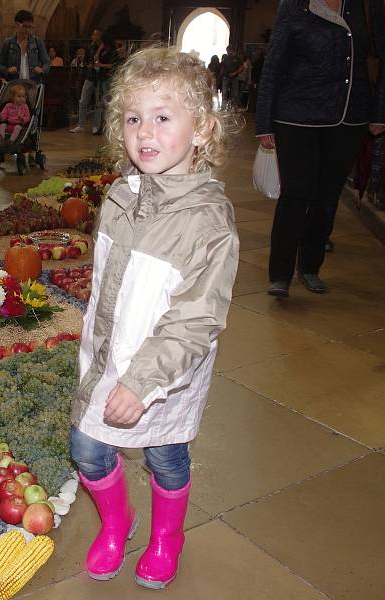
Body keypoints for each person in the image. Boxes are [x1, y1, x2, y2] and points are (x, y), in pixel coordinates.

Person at [70, 47, 239, 589]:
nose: (145, 131)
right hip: (108, 357)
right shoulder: (121, 195)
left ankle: (168, 536)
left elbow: (195, 320)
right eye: (132, 117)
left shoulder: (208, 221)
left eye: (163, 117)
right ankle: (118, 522)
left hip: (165, 374)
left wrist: (144, 382)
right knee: (87, 448)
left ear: (202, 130)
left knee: (165, 455)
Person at [257, 0, 385, 297]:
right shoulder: (293, 6)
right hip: (296, 116)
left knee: (327, 198)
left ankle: (311, 266)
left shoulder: (365, 7)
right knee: (295, 194)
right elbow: (274, 62)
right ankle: (280, 274)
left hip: (348, 116)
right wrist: (264, 122)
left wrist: (380, 111)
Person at [72, 29, 117, 134]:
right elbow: (89, 60)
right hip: (90, 77)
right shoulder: (91, 47)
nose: (93, 36)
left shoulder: (108, 49)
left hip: (101, 78)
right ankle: (81, 125)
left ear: (100, 36)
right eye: (92, 34)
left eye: (95, 35)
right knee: (83, 101)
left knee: (99, 104)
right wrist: (89, 65)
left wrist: (100, 53)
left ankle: (96, 126)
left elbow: (111, 64)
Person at [0, 10, 50, 83]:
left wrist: (42, 70)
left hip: (33, 83)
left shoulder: (37, 42)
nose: (28, 30)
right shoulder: (8, 43)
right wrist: (7, 70)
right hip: (15, 85)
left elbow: (46, 62)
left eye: (30, 27)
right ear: (17, 25)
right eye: (25, 26)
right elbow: (1, 65)